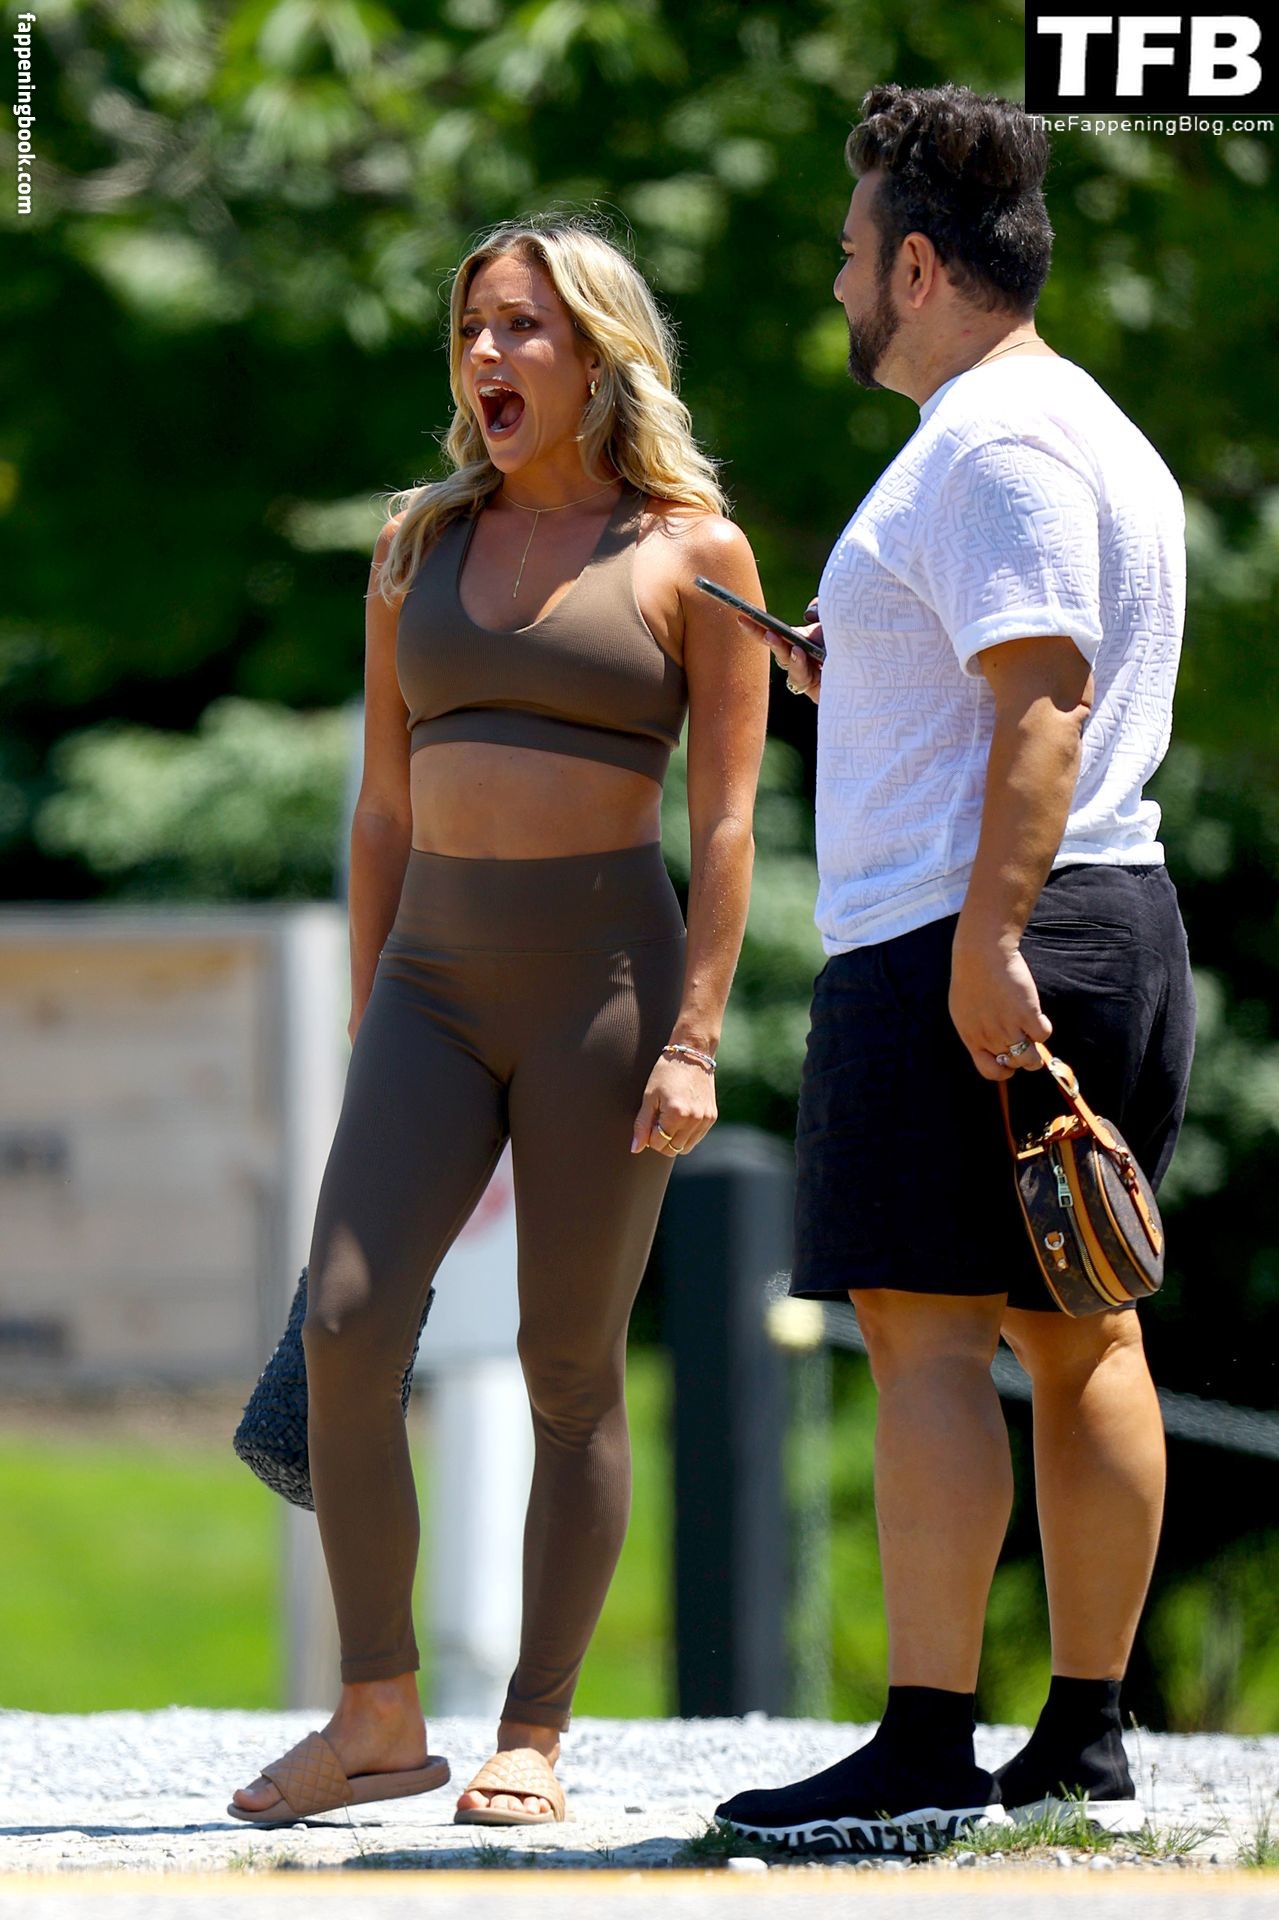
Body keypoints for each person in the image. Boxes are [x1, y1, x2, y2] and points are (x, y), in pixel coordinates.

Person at [228, 214, 769, 1829]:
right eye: (473, 327)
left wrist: (696, 1037)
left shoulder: (697, 553)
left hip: (610, 989)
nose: (486, 355)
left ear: (598, 353)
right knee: (346, 1321)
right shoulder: (415, 544)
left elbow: (729, 823)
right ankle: (376, 1715)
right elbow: (383, 812)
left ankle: (533, 1728)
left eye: (522, 326)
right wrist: (372, 1012)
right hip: (429, 990)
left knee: (567, 1368)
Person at [718, 82, 1193, 1855]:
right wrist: (856, 670)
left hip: (970, 929)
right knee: (1081, 1326)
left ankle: (925, 1743)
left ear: (919, 267)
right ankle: (1083, 1736)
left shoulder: (990, 443)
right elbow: (1012, 675)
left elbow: (1048, 700)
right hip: (1103, 911)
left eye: (853, 253)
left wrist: (988, 940)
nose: (839, 285)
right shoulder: (1085, 426)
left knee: (926, 1337)